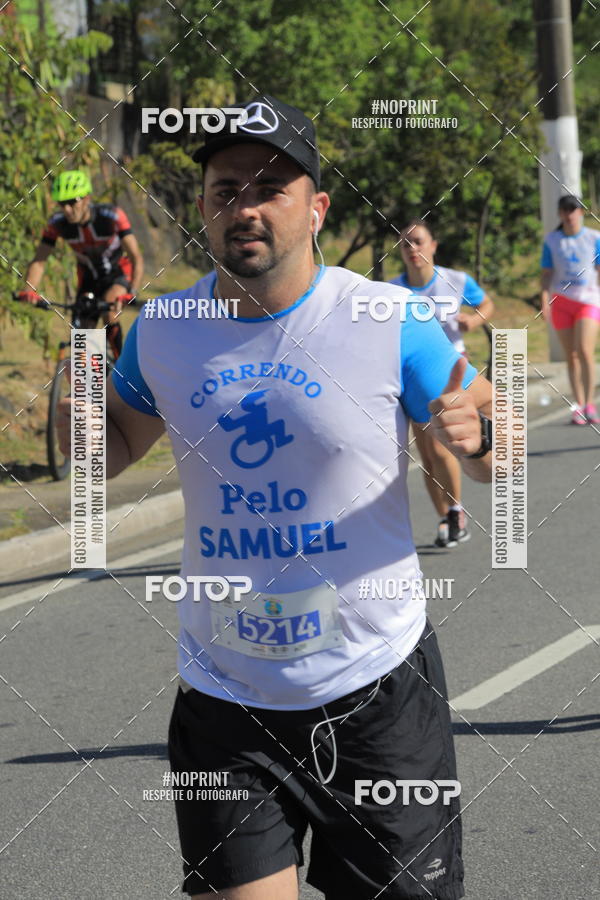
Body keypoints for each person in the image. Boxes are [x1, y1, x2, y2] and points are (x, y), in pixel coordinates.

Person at [58, 96, 493, 900]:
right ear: (202, 207)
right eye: (226, 190)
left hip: (378, 695)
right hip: (226, 702)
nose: (245, 209)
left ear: (317, 208)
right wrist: (76, 401)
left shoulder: (386, 317)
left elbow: (503, 445)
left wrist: (487, 434)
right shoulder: (165, 329)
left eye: (271, 188)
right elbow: (105, 451)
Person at [390, 220, 495, 548]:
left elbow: (487, 303)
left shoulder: (456, 280)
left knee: (442, 446)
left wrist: (474, 319)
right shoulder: (391, 291)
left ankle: (454, 510)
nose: (412, 249)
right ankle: (446, 516)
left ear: (433, 245)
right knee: (428, 455)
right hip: (407, 376)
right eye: (405, 244)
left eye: (418, 241)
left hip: (451, 373)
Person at [17, 170, 143, 358]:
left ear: (86, 199)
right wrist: (30, 290)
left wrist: (131, 292)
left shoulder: (112, 216)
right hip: (89, 279)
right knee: (82, 331)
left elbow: (136, 257)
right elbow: (39, 260)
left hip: (118, 273)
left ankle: (122, 370)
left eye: (72, 202)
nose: (67, 209)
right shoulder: (57, 223)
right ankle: (87, 384)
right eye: (62, 203)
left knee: (110, 310)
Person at [540, 194, 600, 425]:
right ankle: (578, 405)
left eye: (574, 209)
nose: (570, 214)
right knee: (571, 356)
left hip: (588, 300)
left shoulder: (594, 238)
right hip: (562, 301)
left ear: (581, 213)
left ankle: (590, 404)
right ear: (560, 213)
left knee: (584, 350)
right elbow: (546, 274)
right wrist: (544, 299)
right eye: (565, 209)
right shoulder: (552, 240)